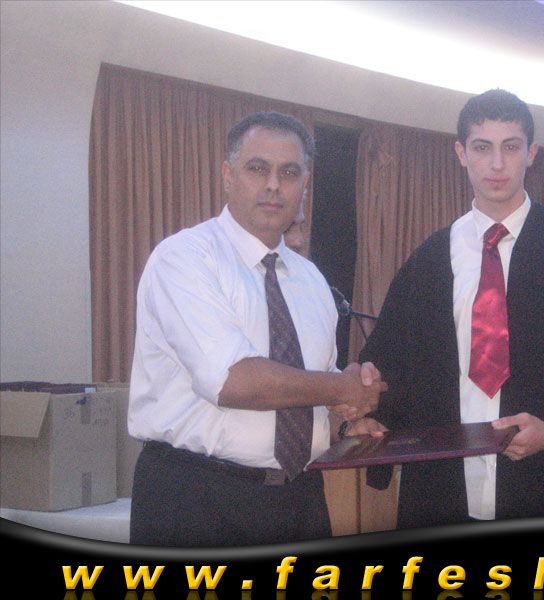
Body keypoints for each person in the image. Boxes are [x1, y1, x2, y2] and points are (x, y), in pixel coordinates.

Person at [349, 89, 544, 528]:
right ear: (461, 154)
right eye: (482, 147)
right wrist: (370, 406)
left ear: (531, 154)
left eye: (511, 147)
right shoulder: (430, 259)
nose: (497, 164)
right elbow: (391, 363)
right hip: (441, 492)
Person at [128, 111, 386, 546]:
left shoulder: (312, 281)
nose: (273, 185)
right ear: (228, 176)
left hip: (300, 499)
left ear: (305, 184)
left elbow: (311, 400)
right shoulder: (185, 259)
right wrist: (341, 388)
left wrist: (344, 424)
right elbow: (233, 381)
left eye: (289, 173)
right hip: (196, 498)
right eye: (257, 168)